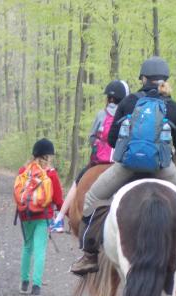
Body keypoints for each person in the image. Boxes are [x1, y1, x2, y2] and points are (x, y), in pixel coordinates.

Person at [70, 57, 176, 280]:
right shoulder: (172, 107)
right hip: (163, 169)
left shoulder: (128, 102)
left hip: (126, 168)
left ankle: (89, 255)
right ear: (165, 80)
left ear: (143, 79)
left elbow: (114, 139)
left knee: (92, 199)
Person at [54, 80, 129, 230]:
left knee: (78, 181)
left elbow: (91, 137)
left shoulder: (101, 114)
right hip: (118, 162)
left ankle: (59, 218)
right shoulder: (126, 116)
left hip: (98, 161)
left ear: (108, 98)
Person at [17, 139, 64, 296]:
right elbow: (58, 199)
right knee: (40, 250)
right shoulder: (51, 174)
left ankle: (24, 283)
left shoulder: (23, 171)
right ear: (47, 156)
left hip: (25, 215)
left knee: (27, 247)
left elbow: (19, 193)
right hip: (44, 215)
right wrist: (67, 213)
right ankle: (36, 287)